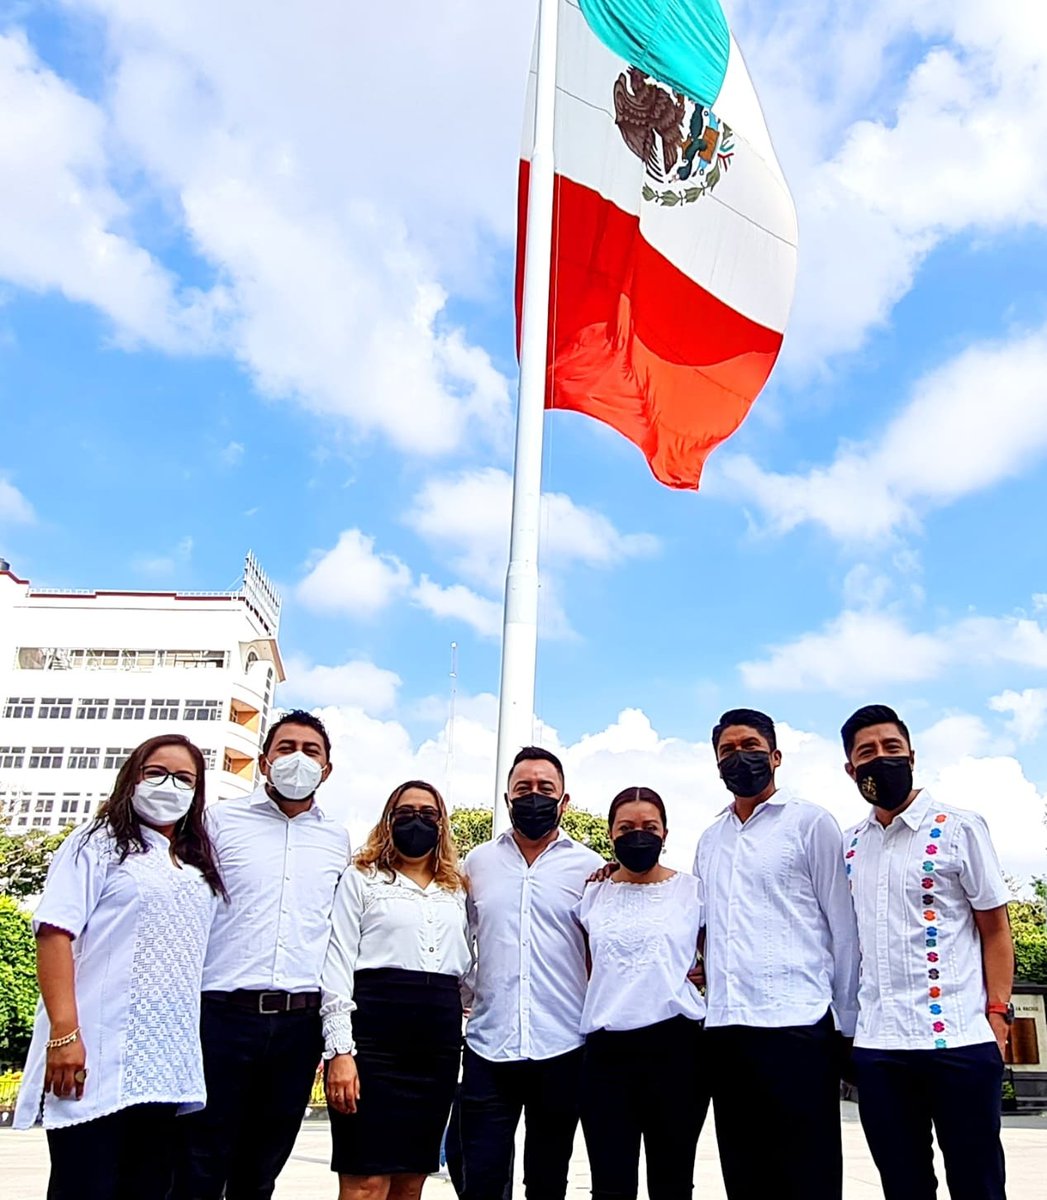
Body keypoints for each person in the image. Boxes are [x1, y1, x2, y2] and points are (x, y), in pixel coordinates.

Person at [13, 734, 225, 1200]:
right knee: (85, 1185)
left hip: (165, 1064)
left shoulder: (193, 862)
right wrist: (65, 1034)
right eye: (156, 773)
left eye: (184, 778)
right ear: (132, 777)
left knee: (148, 1188)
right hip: (95, 1054)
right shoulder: (98, 841)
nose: (170, 785)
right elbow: (54, 932)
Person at [174, 709, 351, 1200]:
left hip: (298, 1025)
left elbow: (335, 937)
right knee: (198, 1162)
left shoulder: (337, 839)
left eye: (311, 751)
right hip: (221, 1018)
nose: (298, 759)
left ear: (327, 769)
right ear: (264, 761)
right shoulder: (215, 823)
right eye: (286, 748)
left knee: (261, 1167)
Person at [840, 704, 1013, 1200]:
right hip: (880, 1047)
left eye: (891, 748)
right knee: (903, 1183)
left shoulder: (959, 828)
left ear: (912, 755)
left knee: (978, 1182)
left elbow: (996, 929)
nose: (880, 759)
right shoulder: (848, 845)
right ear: (851, 769)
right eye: (866, 752)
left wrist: (998, 1014)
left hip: (958, 1039)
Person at [694, 708, 858, 1200]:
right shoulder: (709, 839)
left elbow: (843, 930)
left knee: (809, 1172)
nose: (739, 758)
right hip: (726, 1029)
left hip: (798, 1027)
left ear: (776, 755)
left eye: (749, 746)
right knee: (745, 1173)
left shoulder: (812, 824)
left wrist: (846, 1024)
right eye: (727, 750)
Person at [448, 746, 605, 1200]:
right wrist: (465, 995)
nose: (533, 796)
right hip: (488, 1046)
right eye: (523, 789)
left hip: (563, 1046)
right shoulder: (477, 863)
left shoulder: (591, 869)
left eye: (545, 789)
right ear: (507, 797)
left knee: (548, 1179)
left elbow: (605, 948)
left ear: (564, 800)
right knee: (479, 1177)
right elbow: (460, 939)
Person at [321, 779, 470, 1200]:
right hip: (374, 1040)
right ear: (388, 821)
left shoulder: (456, 888)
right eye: (405, 813)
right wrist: (340, 1052)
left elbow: (469, 967)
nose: (417, 821)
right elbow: (337, 964)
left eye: (428, 814)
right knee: (365, 1181)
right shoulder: (361, 878)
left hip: (436, 1046)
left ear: (442, 824)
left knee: (410, 1181)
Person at [578, 787, 709, 1200]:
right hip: (606, 1053)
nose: (639, 835)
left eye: (649, 827)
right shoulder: (592, 894)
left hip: (677, 1048)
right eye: (627, 828)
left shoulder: (693, 891)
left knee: (672, 1181)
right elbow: (587, 965)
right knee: (610, 1182)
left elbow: (715, 954)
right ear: (611, 834)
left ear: (665, 832)